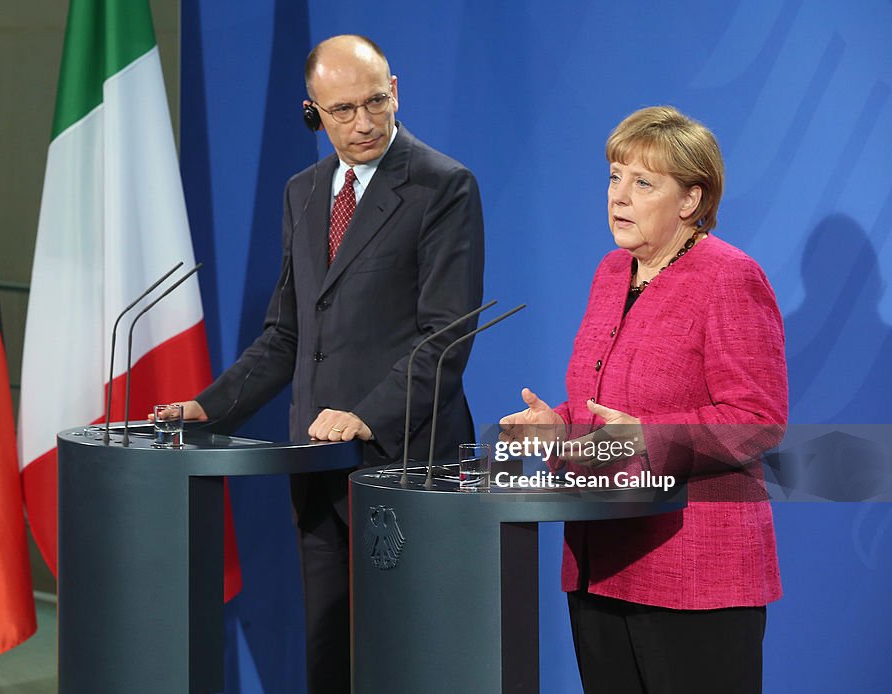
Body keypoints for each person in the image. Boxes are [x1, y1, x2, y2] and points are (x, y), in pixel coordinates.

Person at [159, 35, 484, 694]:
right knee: (330, 648)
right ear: (313, 112)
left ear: (396, 90)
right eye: (343, 111)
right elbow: (286, 333)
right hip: (315, 463)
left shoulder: (442, 186)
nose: (364, 123)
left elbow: (444, 337)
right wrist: (208, 407)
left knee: (406, 656)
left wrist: (365, 415)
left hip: (406, 461)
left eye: (376, 102)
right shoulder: (304, 193)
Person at [500, 106, 786, 693]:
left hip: (695, 571)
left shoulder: (730, 277)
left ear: (690, 200)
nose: (618, 197)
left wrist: (647, 438)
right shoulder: (612, 272)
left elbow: (757, 421)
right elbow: (601, 403)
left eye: (642, 183)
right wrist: (558, 425)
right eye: (614, 177)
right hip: (599, 561)